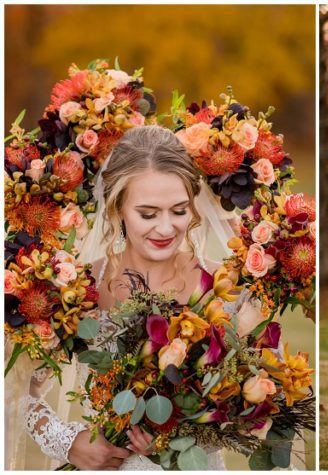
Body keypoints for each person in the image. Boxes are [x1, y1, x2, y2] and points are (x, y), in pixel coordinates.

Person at [17, 126, 237, 470]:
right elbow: (17, 393)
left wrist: (179, 432)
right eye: (148, 214)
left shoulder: (221, 284)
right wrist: (68, 441)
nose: (166, 229)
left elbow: (257, 403)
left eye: (179, 211)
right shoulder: (80, 289)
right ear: (118, 208)